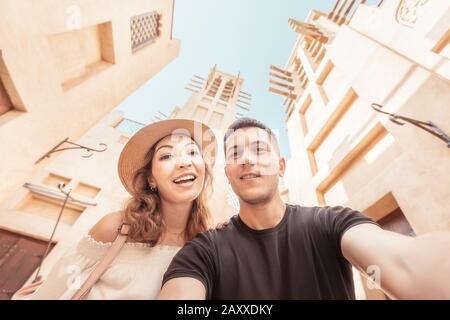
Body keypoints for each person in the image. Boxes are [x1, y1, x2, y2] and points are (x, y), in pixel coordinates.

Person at [158, 117, 450, 300]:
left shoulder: (330, 223)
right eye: (236, 153)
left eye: (259, 150)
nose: (247, 159)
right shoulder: (204, 250)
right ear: (228, 173)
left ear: (281, 166)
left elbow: (405, 264)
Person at [32, 119, 218, 299]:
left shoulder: (208, 245)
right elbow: (54, 292)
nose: (184, 162)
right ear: (151, 179)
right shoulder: (115, 228)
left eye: (193, 152)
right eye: (166, 156)